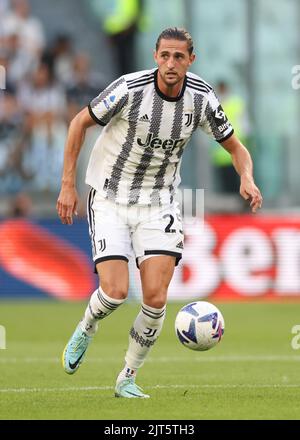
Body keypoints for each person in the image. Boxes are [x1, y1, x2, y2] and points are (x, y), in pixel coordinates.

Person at [57, 27, 262, 398]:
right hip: (109, 198)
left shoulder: (201, 99)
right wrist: (68, 184)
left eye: (178, 57)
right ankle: (87, 327)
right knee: (116, 292)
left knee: (155, 297)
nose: (171, 63)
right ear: (155, 56)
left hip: (159, 203)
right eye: (164, 55)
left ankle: (127, 378)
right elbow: (78, 124)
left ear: (190, 61)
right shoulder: (129, 89)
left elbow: (235, 147)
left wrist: (246, 176)